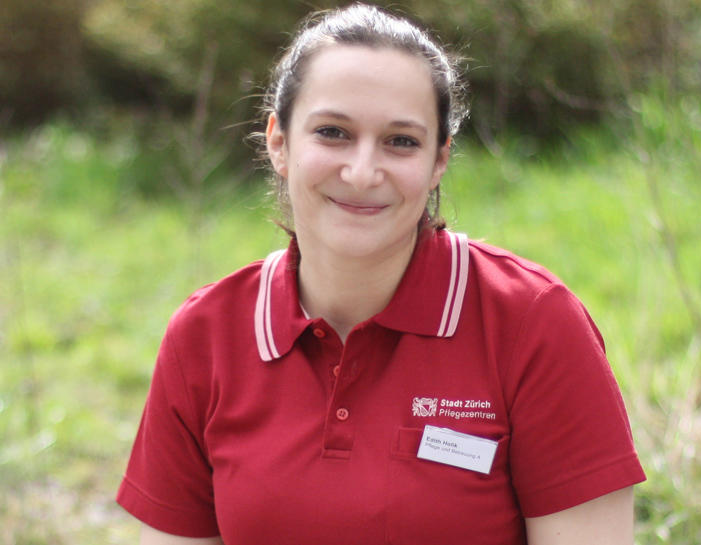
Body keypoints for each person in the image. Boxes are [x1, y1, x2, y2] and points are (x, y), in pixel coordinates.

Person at [116, 4, 645, 544]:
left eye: (401, 141)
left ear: (439, 159)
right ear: (279, 142)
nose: (363, 172)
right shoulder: (204, 335)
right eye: (332, 132)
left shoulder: (534, 323)